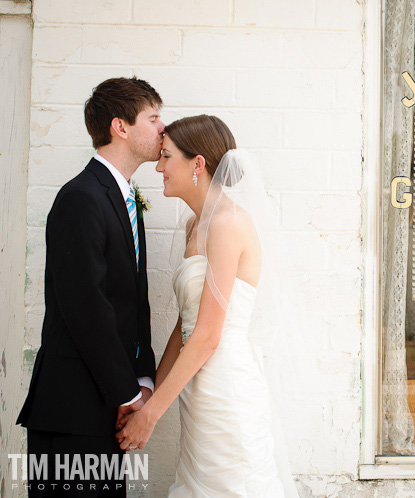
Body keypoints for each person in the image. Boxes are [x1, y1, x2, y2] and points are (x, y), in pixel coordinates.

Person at [115, 115, 300, 498]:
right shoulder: (194, 226)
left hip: (225, 387)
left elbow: (208, 335)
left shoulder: (228, 223)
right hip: (197, 388)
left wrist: (150, 417)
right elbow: (184, 329)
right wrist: (151, 393)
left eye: (166, 157)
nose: (159, 166)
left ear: (197, 164)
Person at [16, 77, 162, 496]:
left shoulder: (125, 197)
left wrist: (143, 381)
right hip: (71, 410)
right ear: (121, 126)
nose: (162, 129)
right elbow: (86, 306)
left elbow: (134, 303)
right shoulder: (81, 197)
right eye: (153, 118)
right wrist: (127, 394)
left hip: (108, 409)